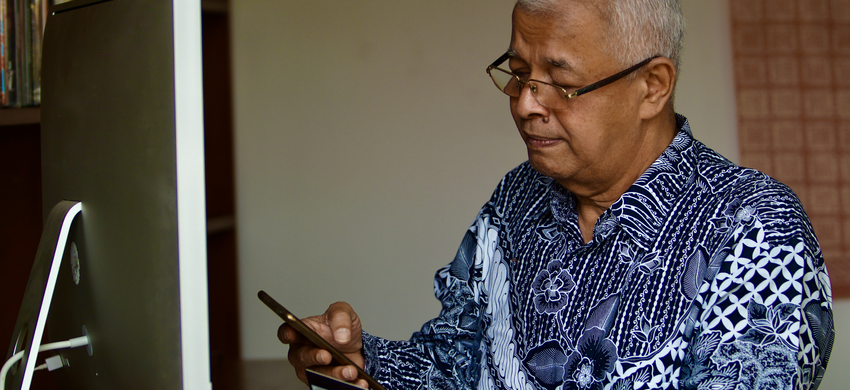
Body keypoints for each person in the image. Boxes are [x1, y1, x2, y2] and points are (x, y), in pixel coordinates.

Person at [279, 0, 835, 389]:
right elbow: (454, 367)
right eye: (519, 73)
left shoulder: (755, 228)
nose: (525, 103)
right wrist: (360, 363)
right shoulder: (517, 199)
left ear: (653, 86)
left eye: (562, 82)